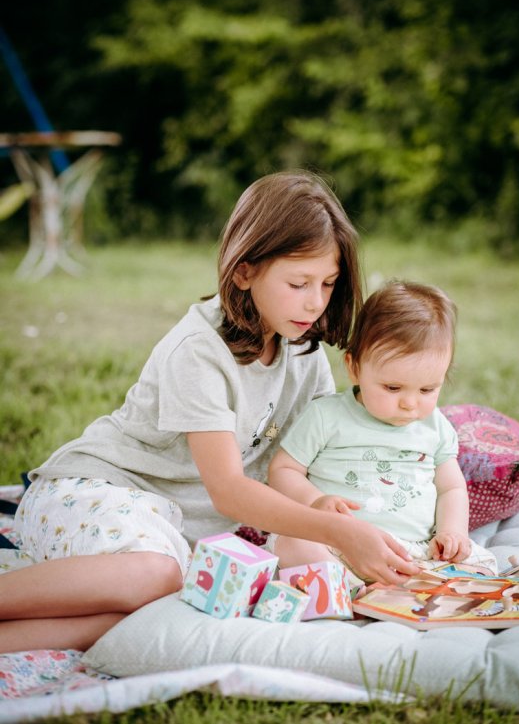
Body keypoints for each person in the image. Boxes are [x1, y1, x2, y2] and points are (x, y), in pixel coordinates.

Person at [0, 171, 420, 654]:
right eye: (299, 282)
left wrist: (328, 509)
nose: (315, 302)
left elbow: (298, 469)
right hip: (98, 491)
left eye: (328, 284)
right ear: (244, 271)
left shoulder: (302, 353)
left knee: (153, 607)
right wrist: (337, 531)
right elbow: (228, 490)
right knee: (157, 575)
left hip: (172, 532)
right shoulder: (199, 350)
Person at [268, 280, 498, 578]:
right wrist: (315, 501)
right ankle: (351, 589)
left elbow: (451, 487)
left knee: (484, 565)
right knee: (292, 544)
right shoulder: (327, 416)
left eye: (428, 389)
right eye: (393, 387)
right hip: (338, 543)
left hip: (412, 550)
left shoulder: (436, 427)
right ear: (354, 367)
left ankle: (399, 588)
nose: (410, 404)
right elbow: (283, 470)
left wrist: (452, 533)